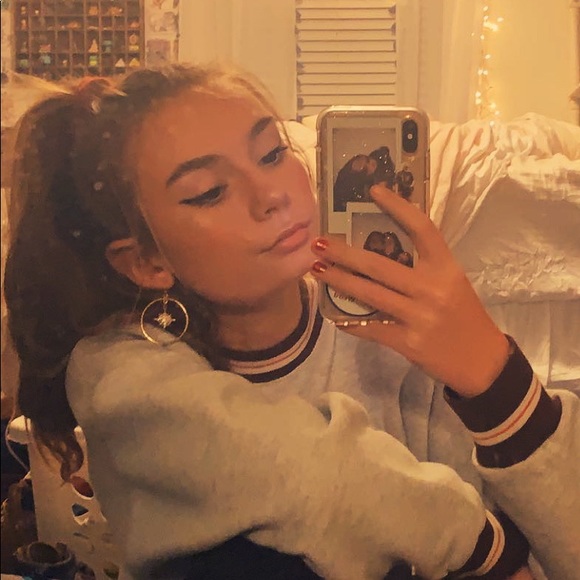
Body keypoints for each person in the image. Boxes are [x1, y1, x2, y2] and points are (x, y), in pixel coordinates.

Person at [3, 63, 577, 579]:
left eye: (272, 153)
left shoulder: (392, 331)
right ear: (147, 262)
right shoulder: (125, 372)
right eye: (209, 192)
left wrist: (495, 380)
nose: (270, 195)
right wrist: (485, 550)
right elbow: (312, 477)